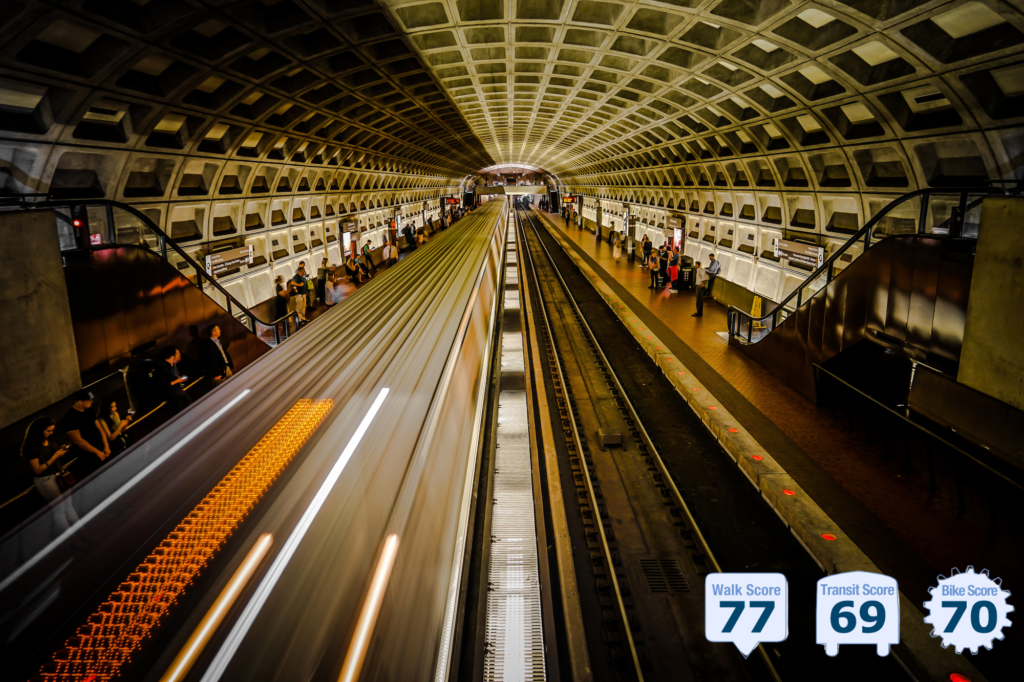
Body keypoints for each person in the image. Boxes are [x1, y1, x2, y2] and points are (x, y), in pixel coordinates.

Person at [21, 417, 79, 529]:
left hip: (59, 474)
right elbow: (37, 470)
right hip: (46, 480)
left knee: (69, 506)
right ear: (39, 430)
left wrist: (60, 452)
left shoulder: (50, 439)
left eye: (53, 430)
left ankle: (81, 531)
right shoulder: (31, 447)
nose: (51, 433)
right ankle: (72, 539)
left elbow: (53, 460)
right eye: (48, 430)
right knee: (60, 510)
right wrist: (55, 456)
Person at [63, 390, 109, 477]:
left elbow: (100, 428)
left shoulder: (89, 411)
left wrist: (106, 446)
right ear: (80, 401)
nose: (91, 401)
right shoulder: (69, 417)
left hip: (100, 448)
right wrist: (97, 452)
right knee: (96, 477)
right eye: (89, 400)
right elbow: (78, 440)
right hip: (88, 455)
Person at [155, 346, 192, 414]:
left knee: (189, 402)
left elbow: (174, 377)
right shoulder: (162, 368)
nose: (179, 354)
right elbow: (163, 386)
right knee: (179, 411)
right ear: (172, 357)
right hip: (172, 396)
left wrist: (180, 379)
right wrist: (178, 381)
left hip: (179, 391)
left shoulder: (173, 365)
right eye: (177, 353)